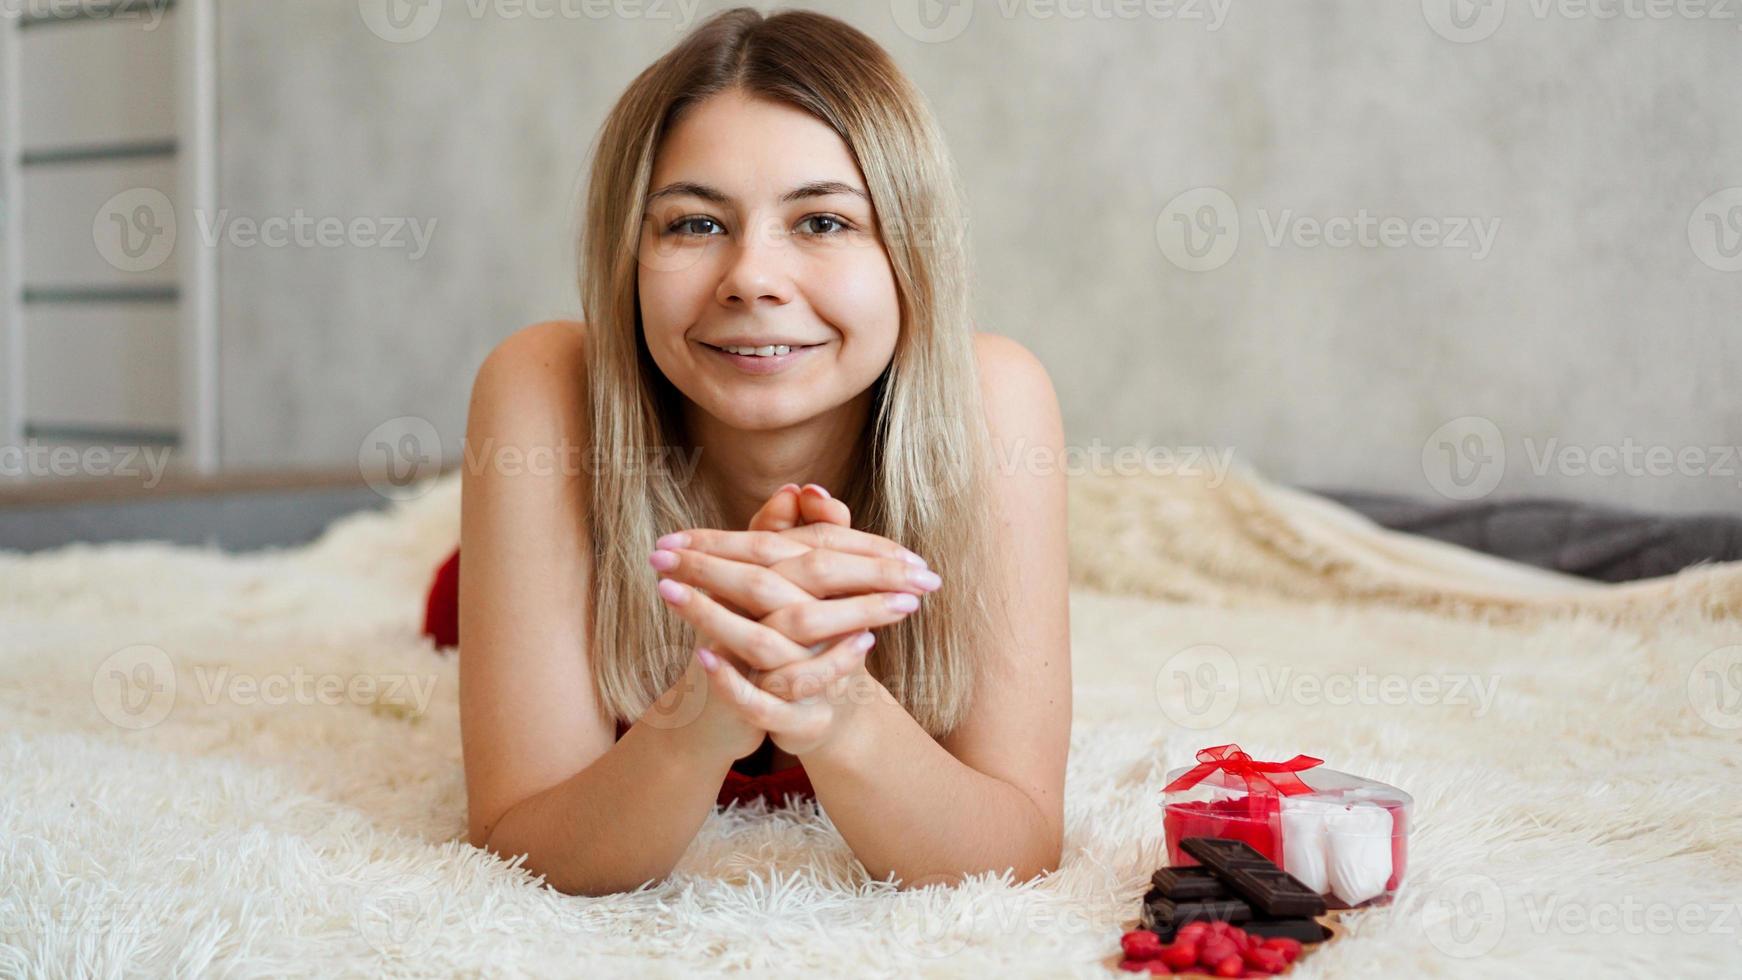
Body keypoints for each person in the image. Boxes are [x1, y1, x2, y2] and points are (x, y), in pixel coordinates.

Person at [434, 6, 1070, 897]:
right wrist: (711, 705)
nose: (752, 278)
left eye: (822, 223)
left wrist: (838, 707)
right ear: (629, 253)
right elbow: (519, 844)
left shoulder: (994, 399)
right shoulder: (542, 385)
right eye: (694, 225)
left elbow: (1020, 845)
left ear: (910, 253)